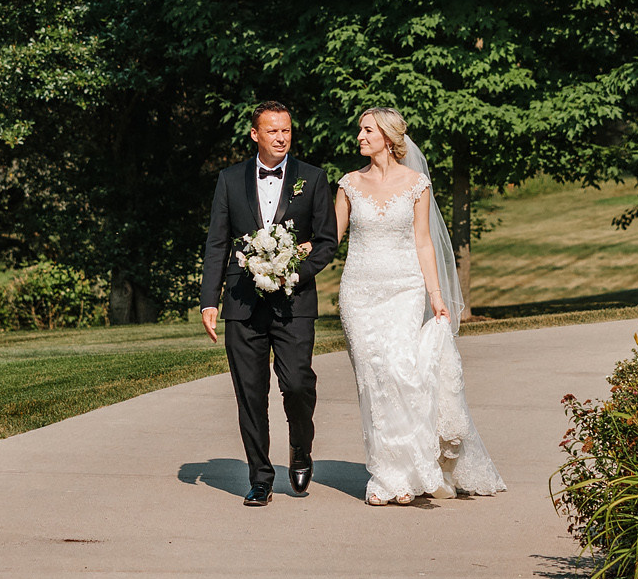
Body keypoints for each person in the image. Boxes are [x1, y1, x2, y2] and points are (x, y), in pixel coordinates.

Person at [334, 108, 505, 505]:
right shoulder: (348, 184)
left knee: (400, 372)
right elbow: (330, 237)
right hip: (358, 293)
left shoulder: (416, 184)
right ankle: (385, 474)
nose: (359, 136)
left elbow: (424, 241)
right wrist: (291, 256)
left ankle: (410, 470)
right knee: (372, 380)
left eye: (367, 129)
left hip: (405, 290)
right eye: (360, 129)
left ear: (389, 138)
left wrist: (436, 295)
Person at [200, 99, 339, 506]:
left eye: (287, 131)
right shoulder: (229, 179)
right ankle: (260, 477)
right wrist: (211, 299)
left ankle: (300, 448)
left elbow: (327, 241)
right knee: (250, 391)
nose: (281, 138)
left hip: (294, 303)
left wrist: (294, 271)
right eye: (273, 131)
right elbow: (217, 243)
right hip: (242, 303)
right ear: (255, 134)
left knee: (297, 384)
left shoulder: (312, 179)